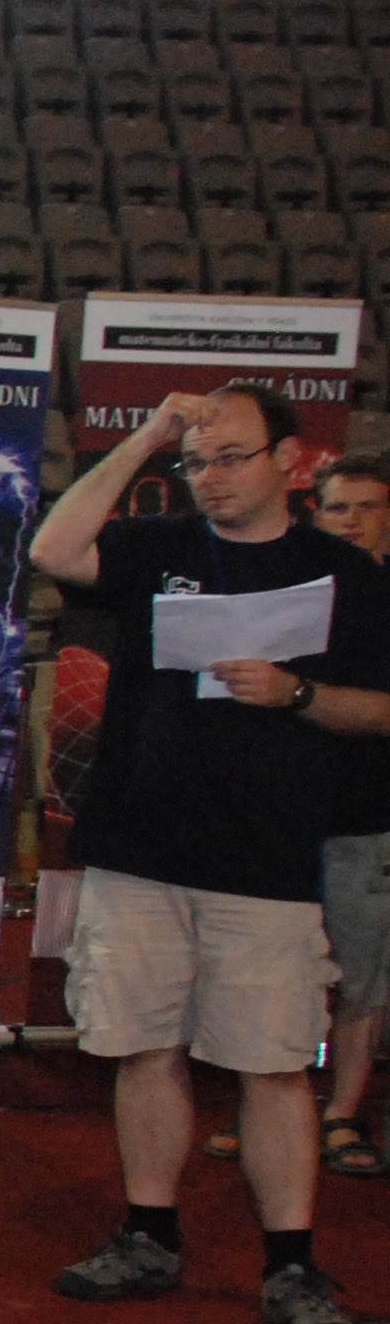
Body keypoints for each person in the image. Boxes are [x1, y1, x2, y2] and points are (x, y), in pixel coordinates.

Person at [28, 384, 390, 1324]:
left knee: (271, 1065)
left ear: (290, 461)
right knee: (142, 1046)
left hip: (265, 858)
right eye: (196, 462)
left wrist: (296, 693)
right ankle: (148, 1235)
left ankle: (290, 1264)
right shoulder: (160, 547)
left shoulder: (341, 575)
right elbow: (54, 549)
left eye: (231, 456)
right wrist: (144, 438)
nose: (211, 477)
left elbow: (380, 708)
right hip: (140, 848)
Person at [286, 455, 390, 1181]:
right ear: (314, 515)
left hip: (368, 815)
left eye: (367, 506)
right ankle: (273, 1102)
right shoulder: (286, 599)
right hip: (282, 814)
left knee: (362, 979)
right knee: (279, 975)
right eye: (336, 507)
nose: (350, 520)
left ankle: (342, 1111)